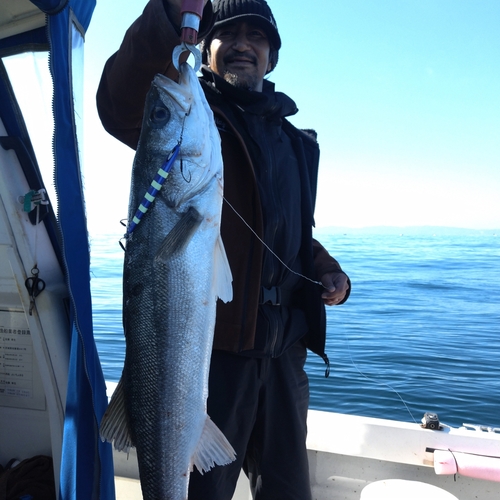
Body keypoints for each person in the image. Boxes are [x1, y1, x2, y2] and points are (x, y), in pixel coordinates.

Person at [97, 0, 351, 498]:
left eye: (257, 37)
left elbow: (291, 235)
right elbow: (123, 102)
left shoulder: (296, 142)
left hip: (283, 359)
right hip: (214, 356)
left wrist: (327, 269)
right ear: (207, 48)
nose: (242, 45)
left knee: (288, 491)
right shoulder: (194, 113)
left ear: (271, 57)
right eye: (229, 34)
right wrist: (172, 16)